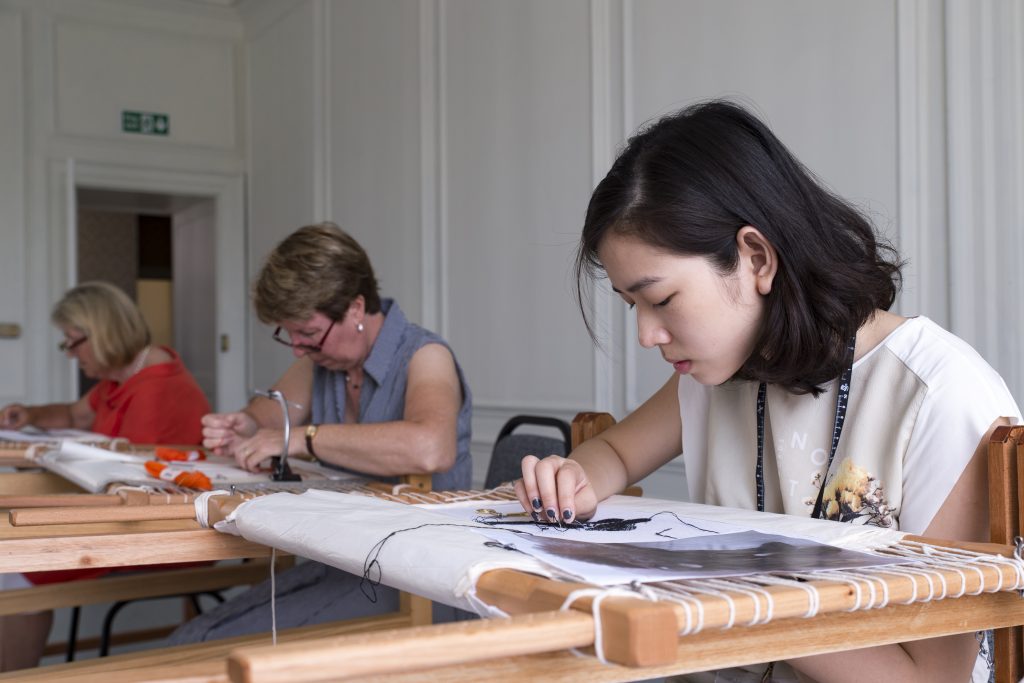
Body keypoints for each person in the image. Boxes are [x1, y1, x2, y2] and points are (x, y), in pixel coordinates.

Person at [515, 100, 1021, 683]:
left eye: (662, 300)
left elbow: (932, 678)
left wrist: (718, 593)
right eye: (633, 306)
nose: (647, 335)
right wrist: (573, 479)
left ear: (756, 257)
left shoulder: (939, 395)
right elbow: (614, 453)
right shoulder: (718, 373)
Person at [168, 222, 472, 644]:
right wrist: (245, 424)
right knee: (198, 635)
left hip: (420, 574)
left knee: (210, 648)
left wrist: (300, 438)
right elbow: (269, 415)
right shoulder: (322, 362)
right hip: (345, 558)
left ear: (354, 308)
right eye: (289, 334)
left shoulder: (426, 355)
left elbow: (429, 448)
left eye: (308, 334)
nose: (297, 348)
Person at [0, 280, 210, 671]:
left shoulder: (155, 388)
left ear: (101, 333)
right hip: (126, 511)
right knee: (15, 545)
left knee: (16, 561)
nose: (69, 354)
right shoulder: (122, 378)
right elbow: (75, 415)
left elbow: (134, 486)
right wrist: (30, 415)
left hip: (158, 530)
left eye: (72, 342)